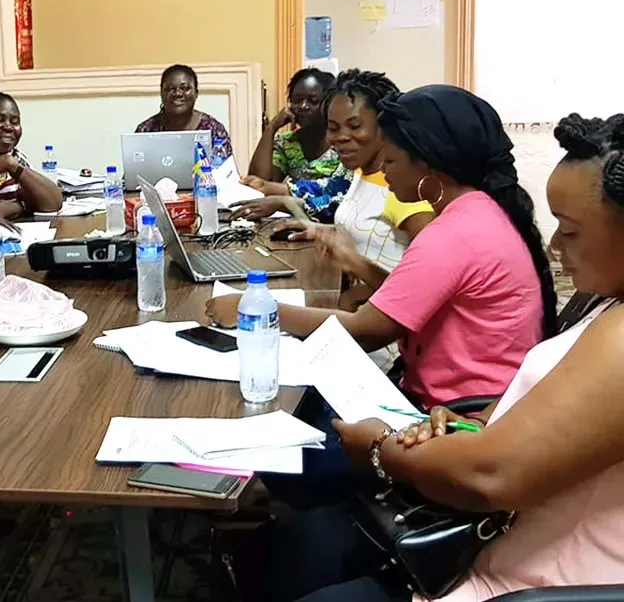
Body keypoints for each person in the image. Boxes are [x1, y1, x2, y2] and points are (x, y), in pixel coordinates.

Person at [268, 112, 624, 602]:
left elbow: (489, 475)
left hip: (524, 575)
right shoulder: (606, 302)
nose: (557, 245)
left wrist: (379, 450)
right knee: (303, 549)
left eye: (571, 230)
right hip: (498, 532)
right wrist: (470, 422)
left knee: (297, 481)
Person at [208, 85, 556, 411]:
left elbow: (366, 330)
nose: (385, 174)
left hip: (451, 415)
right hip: (458, 395)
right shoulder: (478, 211)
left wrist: (255, 308)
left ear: (426, 164)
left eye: (390, 162)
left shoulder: (453, 234)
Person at [272, 70, 434, 303]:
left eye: (355, 126)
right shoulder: (361, 171)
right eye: (334, 127)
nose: (341, 137)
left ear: (384, 125)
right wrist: (319, 230)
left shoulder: (404, 190)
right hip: (355, 309)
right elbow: (371, 233)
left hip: (386, 330)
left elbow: (428, 288)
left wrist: (353, 262)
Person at [241, 68, 351, 221]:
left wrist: (277, 194)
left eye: (313, 101)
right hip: (298, 221)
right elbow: (257, 182)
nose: (304, 106)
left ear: (329, 105)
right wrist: (272, 127)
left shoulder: (345, 145)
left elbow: (334, 193)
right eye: (297, 100)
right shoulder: (288, 143)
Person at [134, 64, 233, 156]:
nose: (177, 93)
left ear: (196, 93)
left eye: (185, 88)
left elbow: (227, 172)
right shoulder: (146, 130)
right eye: (170, 88)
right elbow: (132, 173)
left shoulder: (213, 129)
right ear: (161, 93)